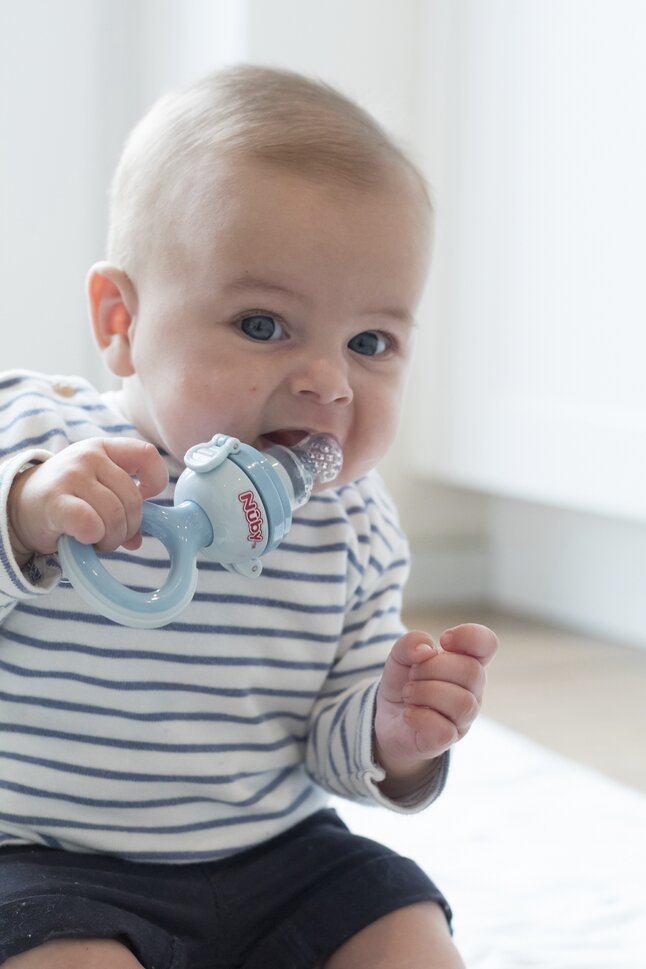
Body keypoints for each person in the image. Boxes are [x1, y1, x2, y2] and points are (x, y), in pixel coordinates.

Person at [0, 65, 497, 969]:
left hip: (275, 856)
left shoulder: (353, 521)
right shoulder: (35, 441)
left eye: (370, 342)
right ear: (122, 320)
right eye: (264, 325)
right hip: (47, 860)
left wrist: (395, 735)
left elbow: (329, 743)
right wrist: (26, 517)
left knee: (405, 928)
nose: (329, 381)